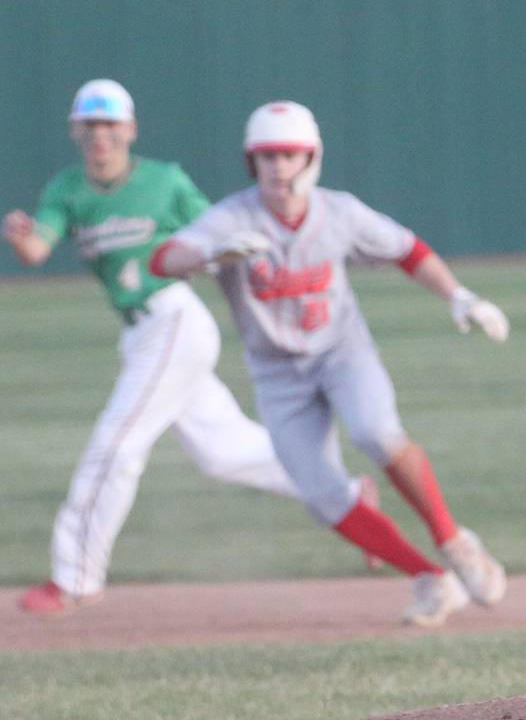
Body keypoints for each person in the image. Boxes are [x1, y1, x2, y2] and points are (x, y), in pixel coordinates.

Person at [1, 79, 366, 616]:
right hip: (138, 333)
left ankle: (75, 577)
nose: (100, 135)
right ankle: (344, 493)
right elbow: (37, 249)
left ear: (129, 129)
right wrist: (21, 234)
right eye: (90, 124)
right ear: (76, 130)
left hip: (172, 319)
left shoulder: (164, 181)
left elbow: (216, 229)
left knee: (116, 446)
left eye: (110, 124)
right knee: (224, 451)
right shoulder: (66, 190)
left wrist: (232, 250)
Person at [150, 100, 511, 628]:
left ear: (311, 158)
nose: (277, 166)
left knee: (377, 433)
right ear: (252, 162)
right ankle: (430, 577)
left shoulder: (337, 211)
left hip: (342, 353)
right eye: (266, 156)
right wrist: (210, 254)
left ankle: (454, 542)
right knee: (321, 496)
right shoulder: (234, 217)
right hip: (277, 374)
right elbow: (163, 258)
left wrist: (460, 295)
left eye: (288, 154)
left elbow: (408, 249)